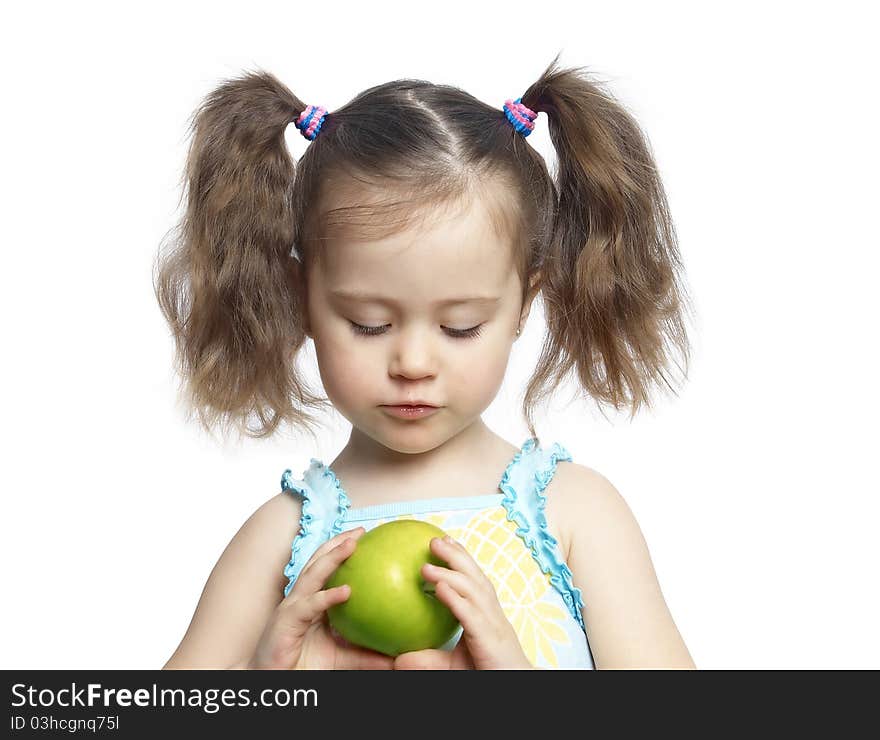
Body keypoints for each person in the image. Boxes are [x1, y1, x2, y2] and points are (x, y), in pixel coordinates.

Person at [155, 53, 697, 670]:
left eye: (460, 326)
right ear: (298, 298)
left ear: (525, 303)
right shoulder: (279, 541)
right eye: (369, 324)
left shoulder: (575, 515)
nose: (413, 361)